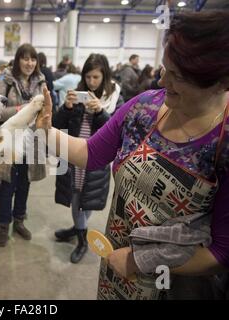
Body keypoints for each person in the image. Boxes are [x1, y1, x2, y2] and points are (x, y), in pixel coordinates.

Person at [35, 11, 229, 299]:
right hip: (117, 268)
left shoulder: (223, 142)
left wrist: (141, 260)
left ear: (221, 82)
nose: (163, 82)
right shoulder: (144, 108)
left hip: (173, 285)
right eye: (165, 69)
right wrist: (46, 131)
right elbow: (90, 153)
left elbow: (221, 252)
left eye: (177, 76)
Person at [53, 53, 123, 263]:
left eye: (96, 77)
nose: (91, 82)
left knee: (89, 201)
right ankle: (81, 234)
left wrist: (101, 112)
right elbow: (56, 124)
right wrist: (66, 107)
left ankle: (79, 233)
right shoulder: (77, 93)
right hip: (73, 156)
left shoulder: (114, 97)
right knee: (76, 199)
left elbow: (119, 131)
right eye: (88, 77)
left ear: (104, 76)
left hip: (97, 160)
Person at [0, 43, 47, 247]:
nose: (29, 63)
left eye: (33, 59)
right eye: (25, 58)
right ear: (17, 60)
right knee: (7, 186)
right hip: (10, 142)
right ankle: (3, 226)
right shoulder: (6, 80)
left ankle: (19, 221)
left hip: (32, 142)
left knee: (25, 184)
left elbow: (48, 108)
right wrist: (22, 109)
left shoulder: (41, 82)